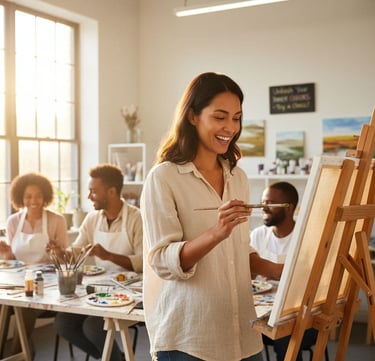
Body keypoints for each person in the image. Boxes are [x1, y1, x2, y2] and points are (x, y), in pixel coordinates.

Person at [141, 72, 281, 361]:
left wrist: (283, 271)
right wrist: (216, 232)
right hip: (190, 338)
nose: (230, 127)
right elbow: (161, 260)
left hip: (243, 333)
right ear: (192, 116)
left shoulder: (237, 177)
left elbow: (238, 250)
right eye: (220, 117)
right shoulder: (163, 177)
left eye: (237, 117)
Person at [54, 163, 143, 361]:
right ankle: (114, 359)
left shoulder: (136, 218)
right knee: (63, 323)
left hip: (129, 291)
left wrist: (109, 255)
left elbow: (144, 261)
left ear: (111, 192)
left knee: (93, 327)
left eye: (93, 192)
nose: (89, 197)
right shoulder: (92, 218)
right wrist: (61, 253)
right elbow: (76, 251)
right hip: (99, 290)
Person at [0, 172, 68, 356]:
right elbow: (13, 261)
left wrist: (58, 253)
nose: (33, 200)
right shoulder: (13, 221)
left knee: (25, 307)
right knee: (4, 308)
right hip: (18, 282)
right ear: (20, 198)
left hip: (47, 286)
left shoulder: (57, 220)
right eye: (28, 196)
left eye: (38, 195)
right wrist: (7, 254)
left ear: (45, 196)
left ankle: (18, 355)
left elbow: (66, 263)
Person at [250, 181, 318, 361]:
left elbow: (314, 282)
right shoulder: (258, 235)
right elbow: (249, 276)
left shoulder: (307, 238)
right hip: (263, 312)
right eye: (263, 202)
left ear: (289, 208)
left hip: (299, 317)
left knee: (285, 340)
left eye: (270, 203)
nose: (263, 207)